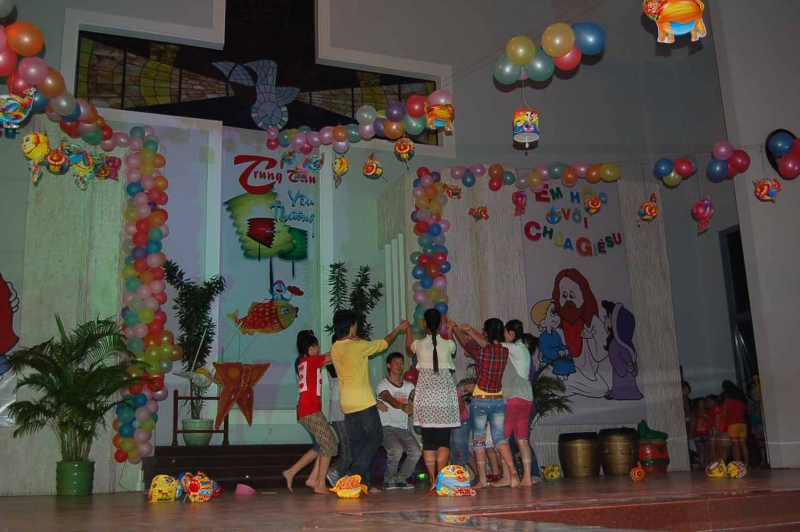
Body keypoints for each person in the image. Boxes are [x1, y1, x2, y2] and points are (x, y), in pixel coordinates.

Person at [331, 309, 408, 492]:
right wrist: (398, 330)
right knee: (376, 436)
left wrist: (356, 339)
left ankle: (364, 484)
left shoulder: (335, 347)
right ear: (351, 327)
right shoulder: (358, 347)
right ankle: (355, 472)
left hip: (347, 404)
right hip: (363, 402)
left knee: (358, 444)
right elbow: (383, 344)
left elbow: (349, 345)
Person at [451, 318, 519, 489]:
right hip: (498, 399)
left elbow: (465, 344)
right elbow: (486, 343)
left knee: (479, 441)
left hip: (481, 400)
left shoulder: (482, 352)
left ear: (486, 333)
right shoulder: (504, 351)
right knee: (499, 438)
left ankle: (482, 480)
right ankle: (512, 470)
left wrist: (456, 329)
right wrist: (472, 331)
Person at [405, 309, 460, 489]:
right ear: (440, 325)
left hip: (426, 398)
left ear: (424, 325)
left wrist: (408, 331)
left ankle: (432, 480)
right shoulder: (448, 344)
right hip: (444, 397)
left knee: (428, 441)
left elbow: (408, 349)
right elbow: (453, 350)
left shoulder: (418, 344)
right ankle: (441, 479)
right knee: (443, 439)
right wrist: (450, 332)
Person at [283, 330, 336, 494]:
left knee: (322, 445)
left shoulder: (303, 362)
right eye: (316, 346)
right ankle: (320, 483)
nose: (318, 349)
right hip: (310, 410)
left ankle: (304, 476)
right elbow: (333, 356)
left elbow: (327, 356)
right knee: (329, 444)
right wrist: (346, 343)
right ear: (309, 348)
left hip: (307, 410)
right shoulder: (311, 362)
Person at [376, 352, 421, 489]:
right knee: (396, 450)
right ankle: (388, 480)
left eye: (401, 363)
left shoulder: (408, 385)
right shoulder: (383, 384)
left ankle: (401, 478)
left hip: (403, 428)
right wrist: (402, 406)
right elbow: (388, 398)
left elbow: (415, 397)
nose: (399, 365)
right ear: (388, 365)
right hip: (386, 427)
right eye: (396, 362)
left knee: (416, 452)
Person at [500, 319, 537, 486]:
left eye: (505, 332)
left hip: (514, 397)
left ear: (511, 333)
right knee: (522, 439)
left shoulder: (514, 348)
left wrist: (471, 332)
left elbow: (491, 345)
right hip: (527, 398)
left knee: (502, 438)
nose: (503, 335)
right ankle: (527, 478)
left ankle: (508, 477)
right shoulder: (523, 350)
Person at [531, 299, 575, 379]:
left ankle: (566, 372)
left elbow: (560, 344)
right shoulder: (543, 337)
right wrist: (557, 352)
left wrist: (565, 349)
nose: (556, 317)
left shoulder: (555, 334)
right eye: (553, 313)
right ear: (543, 322)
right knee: (558, 360)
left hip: (558, 354)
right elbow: (546, 350)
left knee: (567, 357)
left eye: (556, 313)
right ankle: (559, 373)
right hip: (548, 357)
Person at [325, 360, 350, 487]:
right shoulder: (332, 361)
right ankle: (335, 470)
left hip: (351, 408)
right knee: (347, 448)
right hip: (338, 408)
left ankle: (341, 472)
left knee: (352, 448)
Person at [521, 333, 542, 482]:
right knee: (519, 440)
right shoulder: (524, 360)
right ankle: (526, 473)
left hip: (525, 406)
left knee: (521, 440)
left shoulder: (525, 361)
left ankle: (534, 473)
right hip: (524, 405)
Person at [451, 377, 478, 476]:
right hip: (451, 423)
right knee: (455, 451)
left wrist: (450, 420)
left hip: (461, 421)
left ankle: (474, 475)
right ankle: (477, 475)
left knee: (460, 449)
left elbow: (461, 406)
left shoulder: (452, 388)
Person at [721, 380, 749, 464]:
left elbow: (724, 414)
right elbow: (743, 413)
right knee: (743, 445)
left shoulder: (728, 402)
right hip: (742, 424)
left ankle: (737, 463)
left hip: (733, 425)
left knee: (735, 446)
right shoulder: (741, 403)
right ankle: (747, 462)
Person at [689, 398, 710, 467]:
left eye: (703, 403)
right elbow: (692, 423)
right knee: (701, 449)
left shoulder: (708, 412)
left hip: (707, 433)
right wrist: (691, 432)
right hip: (697, 433)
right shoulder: (695, 413)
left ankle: (707, 463)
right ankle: (702, 464)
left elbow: (710, 420)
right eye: (700, 403)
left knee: (708, 449)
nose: (701, 405)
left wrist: (703, 415)